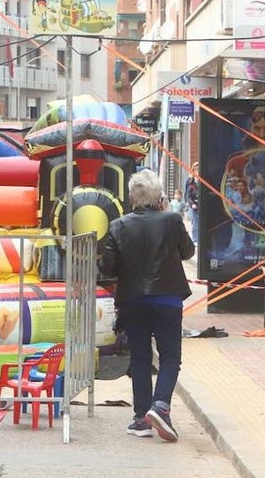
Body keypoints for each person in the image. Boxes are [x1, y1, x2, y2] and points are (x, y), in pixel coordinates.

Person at [99, 168, 194, 443]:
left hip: (133, 300)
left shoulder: (119, 225)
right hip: (167, 299)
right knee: (170, 358)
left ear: (132, 197)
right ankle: (160, 406)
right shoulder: (172, 220)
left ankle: (141, 419)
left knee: (140, 358)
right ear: (159, 196)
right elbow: (188, 251)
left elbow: (108, 266)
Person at [184, 163, 200, 243]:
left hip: (201, 206)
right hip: (193, 204)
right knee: (195, 222)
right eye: (196, 169)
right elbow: (187, 193)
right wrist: (188, 203)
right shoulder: (190, 182)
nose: (197, 171)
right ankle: (195, 239)